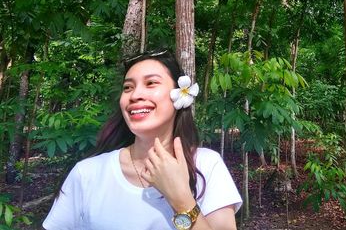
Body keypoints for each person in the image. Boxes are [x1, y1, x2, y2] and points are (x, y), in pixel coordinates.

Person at [43, 49, 242, 230]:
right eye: (128, 87)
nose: (135, 95)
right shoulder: (86, 173)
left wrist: (181, 199)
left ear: (180, 96)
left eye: (151, 83)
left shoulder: (207, 166)